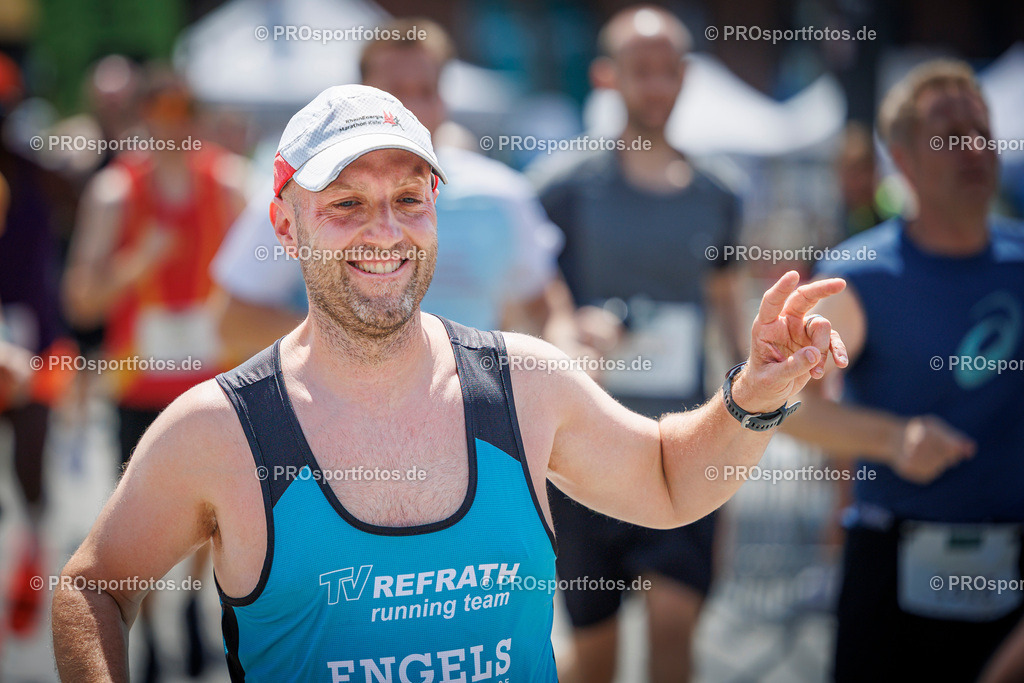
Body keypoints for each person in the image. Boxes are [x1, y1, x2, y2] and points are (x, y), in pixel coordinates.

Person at [50, 82, 847, 681]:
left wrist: (754, 393)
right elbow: (91, 590)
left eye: (408, 198)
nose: (385, 230)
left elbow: (670, 481)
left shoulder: (523, 383)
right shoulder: (220, 428)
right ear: (286, 225)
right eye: (346, 203)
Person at [782, 59, 1024, 682]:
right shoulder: (860, 275)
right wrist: (893, 438)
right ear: (903, 159)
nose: (974, 148)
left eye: (981, 130)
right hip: (892, 565)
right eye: (949, 135)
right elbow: (784, 405)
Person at [529, 7, 746, 681]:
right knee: (595, 656)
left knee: (674, 627)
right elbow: (533, 304)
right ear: (607, 77)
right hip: (585, 449)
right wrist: (570, 331)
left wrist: (747, 425)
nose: (655, 85)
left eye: (667, 70)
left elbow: (728, 312)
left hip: (684, 443)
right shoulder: (562, 187)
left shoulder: (719, 193)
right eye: (639, 70)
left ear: (685, 77)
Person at [211, 18, 574, 360]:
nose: (410, 108)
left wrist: (561, 360)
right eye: (395, 93)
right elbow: (233, 323)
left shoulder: (503, 194)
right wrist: (361, 346)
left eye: (425, 91)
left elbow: (546, 306)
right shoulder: (303, 191)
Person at [61, 67, 247, 680]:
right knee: (140, 520)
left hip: (212, 382)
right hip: (137, 384)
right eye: (160, 115)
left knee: (212, 511)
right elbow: (80, 301)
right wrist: (139, 261)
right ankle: (147, 620)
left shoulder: (227, 183)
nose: (172, 128)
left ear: (197, 117)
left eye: (183, 114)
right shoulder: (116, 193)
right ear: (142, 118)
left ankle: (191, 606)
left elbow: (265, 273)